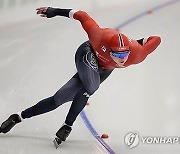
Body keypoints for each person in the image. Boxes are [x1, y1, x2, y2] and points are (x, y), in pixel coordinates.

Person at [0, 7, 161, 143]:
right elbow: (81, 15)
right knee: (92, 86)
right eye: (117, 56)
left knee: (58, 99)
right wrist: (54, 11)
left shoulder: (137, 54)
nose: (121, 60)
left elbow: (156, 39)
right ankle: (68, 125)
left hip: (104, 68)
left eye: (124, 55)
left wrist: (137, 41)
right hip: (88, 52)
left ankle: (18, 117)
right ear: (108, 49)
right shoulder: (98, 36)